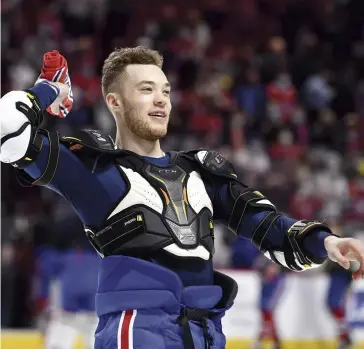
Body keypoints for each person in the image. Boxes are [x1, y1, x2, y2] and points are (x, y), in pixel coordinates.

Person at [1, 46, 364, 349]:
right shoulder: (95, 172)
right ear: (114, 102)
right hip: (136, 332)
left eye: (166, 90)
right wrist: (48, 91)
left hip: (206, 334)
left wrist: (326, 241)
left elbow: (272, 231)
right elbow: (8, 132)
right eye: (146, 90)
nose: (160, 100)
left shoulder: (202, 173)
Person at [34, 216, 99, 349]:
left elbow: (43, 267)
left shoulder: (57, 259)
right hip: (87, 316)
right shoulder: (99, 260)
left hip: (70, 316)